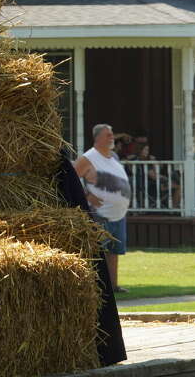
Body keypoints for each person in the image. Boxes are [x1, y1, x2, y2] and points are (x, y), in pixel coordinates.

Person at [75, 124, 132, 294]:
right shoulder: (88, 158)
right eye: (108, 135)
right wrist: (87, 196)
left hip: (118, 215)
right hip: (99, 215)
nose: (112, 137)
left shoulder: (113, 156)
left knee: (114, 252)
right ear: (97, 138)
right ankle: (95, 287)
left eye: (112, 134)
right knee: (98, 251)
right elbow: (72, 179)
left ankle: (113, 286)